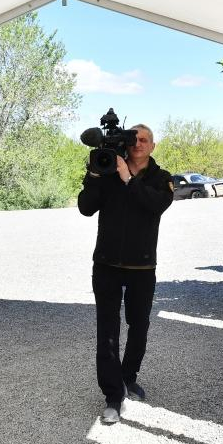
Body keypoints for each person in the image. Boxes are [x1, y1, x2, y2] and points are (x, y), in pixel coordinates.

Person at [77, 124, 173, 424]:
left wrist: (128, 179)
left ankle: (128, 376)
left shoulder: (162, 178)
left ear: (152, 146)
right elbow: (85, 207)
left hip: (141, 268)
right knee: (107, 330)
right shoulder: (107, 170)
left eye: (144, 139)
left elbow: (155, 205)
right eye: (133, 139)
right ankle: (113, 396)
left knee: (139, 325)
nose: (138, 144)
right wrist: (95, 174)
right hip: (106, 265)